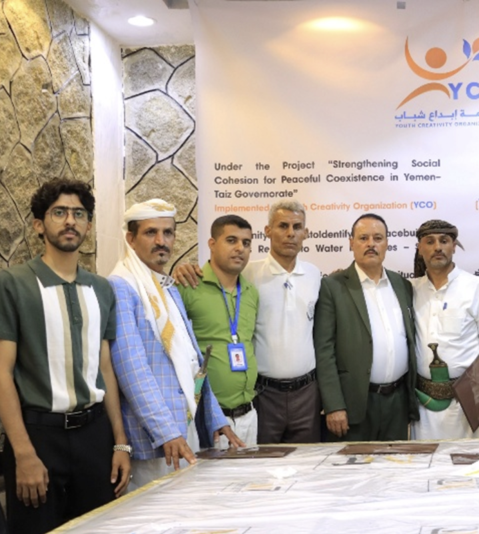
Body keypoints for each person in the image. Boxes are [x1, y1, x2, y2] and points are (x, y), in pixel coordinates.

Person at [0, 179, 130, 533]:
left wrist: (120, 443)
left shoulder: (101, 288)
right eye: (59, 213)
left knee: (101, 528)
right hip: (38, 437)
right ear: (39, 224)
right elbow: (2, 374)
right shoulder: (12, 284)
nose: (70, 221)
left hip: (94, 435)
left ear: (88, 224)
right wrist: (24, 454)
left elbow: (106, 368)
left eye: (79, 214)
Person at [108, 199, 243, 491]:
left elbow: (194, 362)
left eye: (168, 233)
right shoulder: (122, 286)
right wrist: (166, 432)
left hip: (186, 428)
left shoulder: (166, 286)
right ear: (130, 238)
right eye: (151, 233)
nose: (161, 241)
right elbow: (132, 370)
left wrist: (215, 418)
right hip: (158, 441)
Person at [174, 201, 323, 444]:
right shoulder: (249, 274)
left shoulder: (313, 275)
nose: (290, 233)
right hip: (261, 395)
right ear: (268, 231)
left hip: (300, 394)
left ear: (306, 233)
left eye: (297, 227)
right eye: (283, 225)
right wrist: (183, 269)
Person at [314, 213, 418, 441]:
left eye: (378, 238)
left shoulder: (402, 285)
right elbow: (324, 351)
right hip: (354, 404)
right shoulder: (332, 286)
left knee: (395, 470)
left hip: (397, 403)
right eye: (363, 238)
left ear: (387, 244)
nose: (371, 244)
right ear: (351, 243)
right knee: (354, 472)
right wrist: (333, 405)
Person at [411, 219, 479, 440]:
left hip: (468, 401)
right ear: (420, 248)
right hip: (424, 405)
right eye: (429, 241)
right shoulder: (411, 290)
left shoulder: (476, 287)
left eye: (444, 241)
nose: (437, 247)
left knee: (473, 468)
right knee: (427, 469)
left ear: (454, 246)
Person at [176, 215, 259, 448]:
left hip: (249, 414)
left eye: (246, 242)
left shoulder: (251, 292)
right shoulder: (188, 286)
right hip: (208, 418)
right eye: (231, 240)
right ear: (212, 244)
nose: (240, 248)